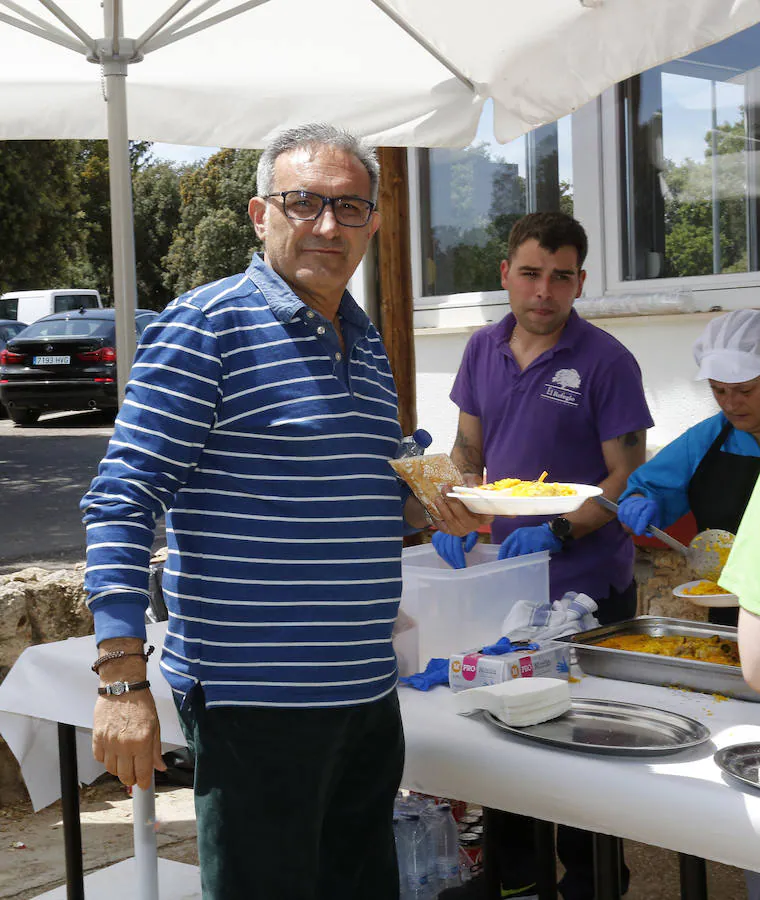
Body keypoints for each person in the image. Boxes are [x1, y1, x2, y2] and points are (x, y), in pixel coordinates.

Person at [80, 123, 488, 900]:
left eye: (350, 207)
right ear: (259, 213)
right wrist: (121, 679)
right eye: (305, 203)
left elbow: (373, 488)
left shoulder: (366, 344)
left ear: (374, 222)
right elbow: (122, 498)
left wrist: (437, 504)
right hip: (255, 704)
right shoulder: (207, 327)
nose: (328, 226)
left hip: (368, 695)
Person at [434, 212, 653, 900]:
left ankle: (592, 883)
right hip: (507, 582)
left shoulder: (607, 361)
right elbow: (468, 449)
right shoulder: (481, 350)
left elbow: (626, 476)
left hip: (588, 589)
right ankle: (516, 878)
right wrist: (462, 504)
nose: (544, 291)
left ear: (580, 282)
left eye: (562, 277)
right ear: (506, 274)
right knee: (509, 728)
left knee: (585, 747)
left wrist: (560, 531)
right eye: (530, 273)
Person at [618, 309, 760, 626]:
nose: (731, 404)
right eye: (719, 390)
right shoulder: (708, 438)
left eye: (745, 391)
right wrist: (639, 501)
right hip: (731, 612)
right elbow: (650, 486)